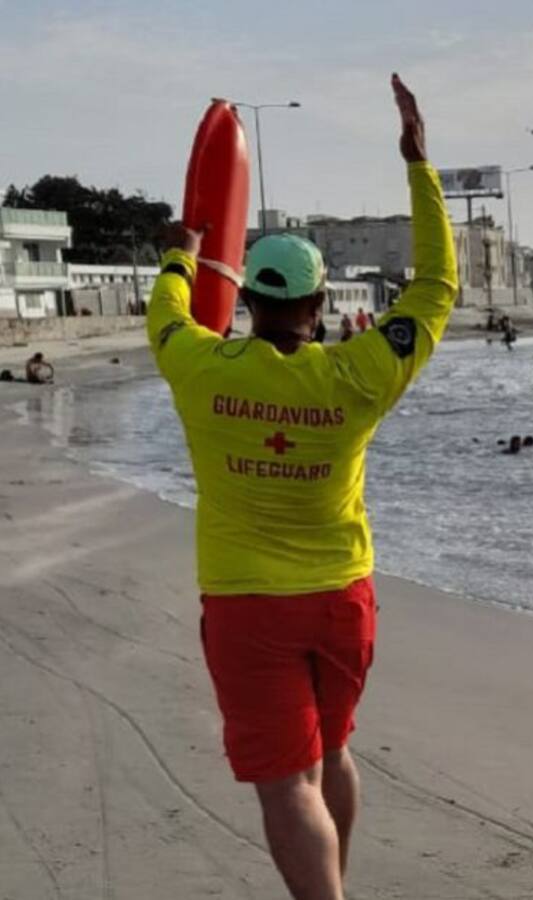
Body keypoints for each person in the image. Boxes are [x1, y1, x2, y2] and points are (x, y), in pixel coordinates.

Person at [145, 74, 456, 900]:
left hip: (248, 605)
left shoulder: (199, 368)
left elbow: (167, 313)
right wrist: (418, 166)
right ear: (320, 304)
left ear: (247, 300)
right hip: (342, 599)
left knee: (288, 783)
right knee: (334, 754)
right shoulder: (359, 374)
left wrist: (181, 251)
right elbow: (435, 288)